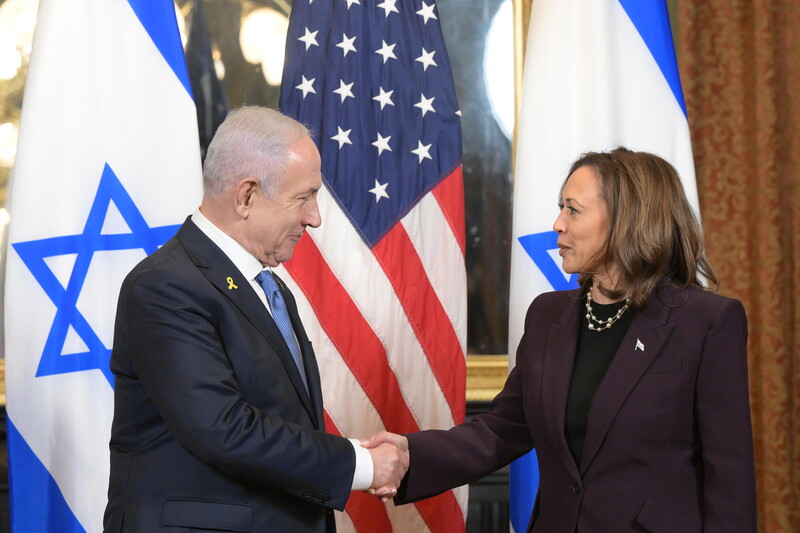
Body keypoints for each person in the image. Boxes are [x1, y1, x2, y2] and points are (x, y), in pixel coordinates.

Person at [364, 147, 757, 532]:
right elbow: (502, 430)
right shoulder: (549, 315)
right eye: (560, 207)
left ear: (626, 219)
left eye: (573, 209)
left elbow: (730, 475)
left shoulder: (705, 322)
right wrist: (409, 454)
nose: (557, 223)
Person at [103, 106, 407, 533]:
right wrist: (361, 464)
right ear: (246, 196)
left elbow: (283, 425)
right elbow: (223, 430)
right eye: (303, 197)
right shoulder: (164, 286)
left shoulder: (269, 289)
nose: (315, 218)